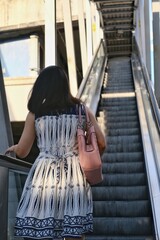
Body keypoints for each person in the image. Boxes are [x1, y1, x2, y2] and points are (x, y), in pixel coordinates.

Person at [6, 66, 106, 240]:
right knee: (74, 232)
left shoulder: (35, 114)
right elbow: (101, 143)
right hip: (75, 176)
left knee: (40, 230)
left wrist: (15, 148)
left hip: (43, 179)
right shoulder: (82, 111)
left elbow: (23, 151)